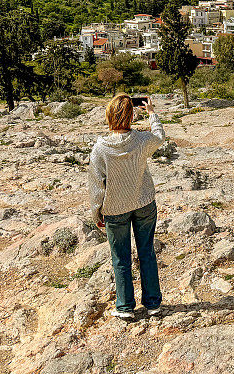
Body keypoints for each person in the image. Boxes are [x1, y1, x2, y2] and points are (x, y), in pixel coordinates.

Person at [88, 93, 165, 319]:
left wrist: (96, 213)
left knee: (120, 257)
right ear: (132, 116)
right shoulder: (141, 140)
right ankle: (152, 304)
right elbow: (159, 137)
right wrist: (152, 113)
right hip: (143, 203)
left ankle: (125, 307)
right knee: (147, 253)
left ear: (109, 116)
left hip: (115, 208)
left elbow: (96, 186)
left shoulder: (100, 148)